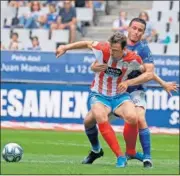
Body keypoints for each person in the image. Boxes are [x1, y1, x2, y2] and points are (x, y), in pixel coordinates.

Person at [80, 18, 178, 168]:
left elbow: (149, 72)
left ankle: (146, 157)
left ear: (144, 33)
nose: (136, 32)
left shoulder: (143, 49)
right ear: (128, 28)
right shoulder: (117, 42)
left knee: (138, 118)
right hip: (113, 92)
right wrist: (94, 67)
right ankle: (96, 150)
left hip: (134, 90)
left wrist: (162, 83)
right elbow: (98, 61)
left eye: (140, 30)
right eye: (134, 28)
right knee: (88, 121)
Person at [56, 32, 149, 168]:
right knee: (98, 117)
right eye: (111, 49)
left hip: (119, 96)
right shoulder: (103, 49)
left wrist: (130, 82)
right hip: (99, 94)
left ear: (124, 49)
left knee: (132, 116)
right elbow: (86, 43)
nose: (111, 52)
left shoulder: (134, 59)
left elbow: (148, 73)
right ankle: (119, 156)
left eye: (115, 50)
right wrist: (65, 47)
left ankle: (130, 151)